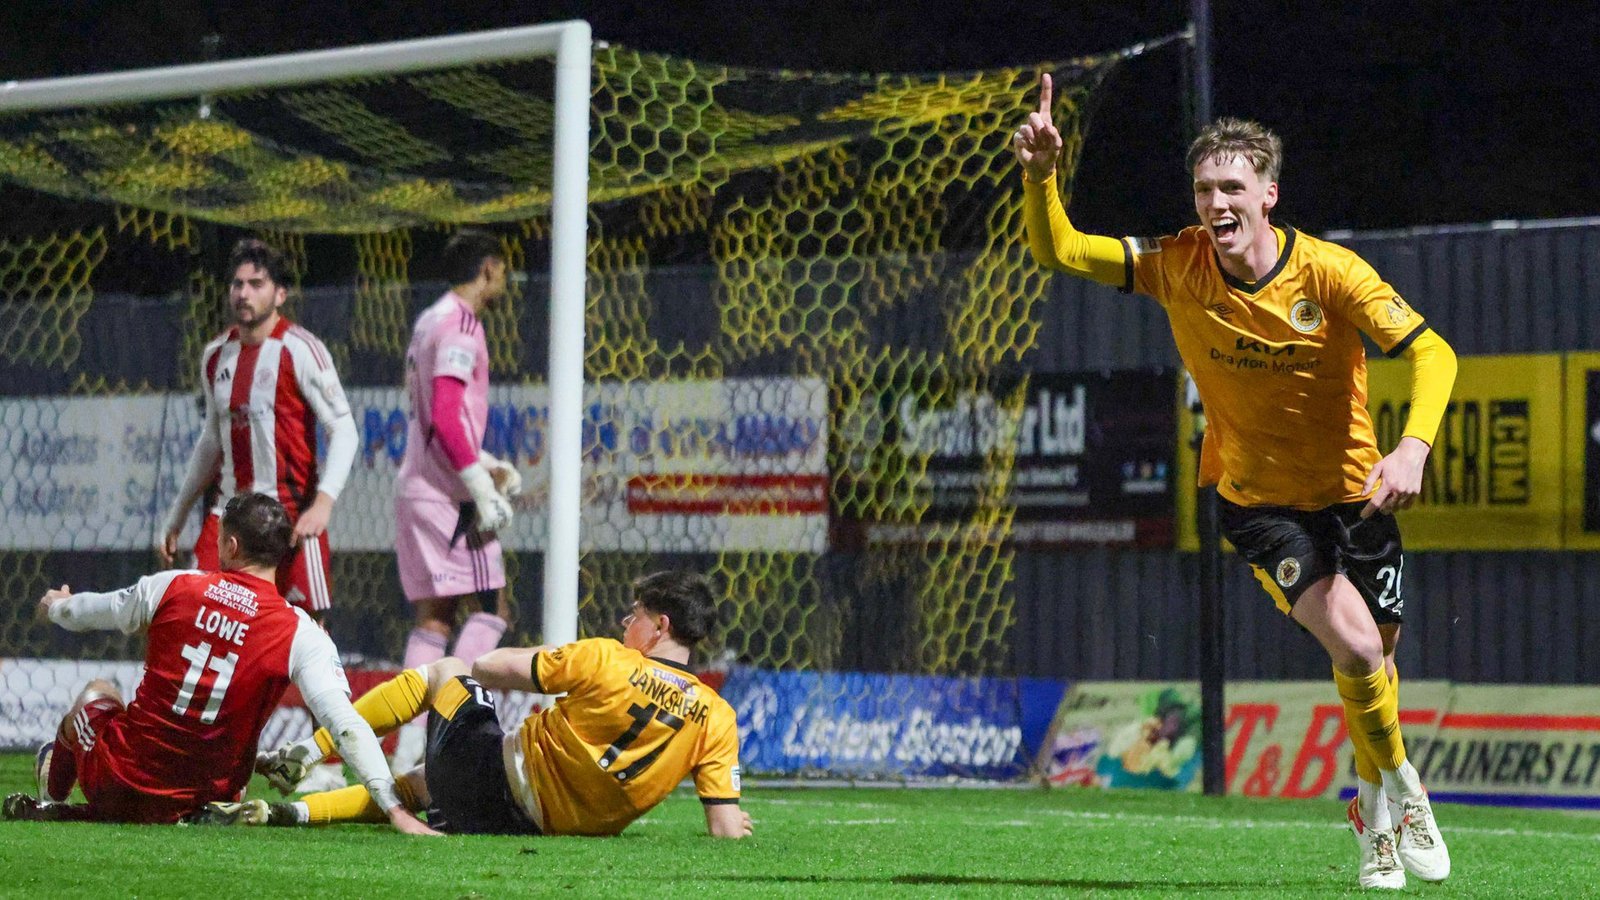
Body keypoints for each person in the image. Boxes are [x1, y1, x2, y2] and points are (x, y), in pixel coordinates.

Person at [1014, 75, 1456, 890]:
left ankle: (1373, 824)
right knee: (1355, 645)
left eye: (1231, 187)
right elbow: (1060, 249)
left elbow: (1434, 352)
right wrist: (1042, 175)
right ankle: (1407, 791)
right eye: (1203, 188)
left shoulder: (1329, 274)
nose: (1214, 202)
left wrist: (1414, 446)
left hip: (1358, 493)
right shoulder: (1179, 264)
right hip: (1259, 504)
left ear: (1268, 194)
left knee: (1375, 668)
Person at [3, 493, 435, 836]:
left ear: (229, 545)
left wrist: (57, 606)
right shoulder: (301, 632)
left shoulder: (173, 586)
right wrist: (393, 807)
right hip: (208, 800)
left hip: (122, 780)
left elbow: (93, 611)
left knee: (96, 695)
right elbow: (345, 724)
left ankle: (53, 802)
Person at [205, 570, 750, 839]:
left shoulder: (608, 659)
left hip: (488, 782)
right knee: (419, 783)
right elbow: (724, 827)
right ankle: (285, 812)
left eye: (634, 615)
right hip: (529, 829)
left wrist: (525, 662)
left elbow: (495, 667)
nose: (625, 623)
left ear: (661, 626)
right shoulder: (718, 718)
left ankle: (310, 747)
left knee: (448, 669)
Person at [158, 238, 357, 625]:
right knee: (198, 617)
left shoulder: (300, 350)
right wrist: (177, 515)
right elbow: (212, 440)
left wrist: (323, 504)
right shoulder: (215, 355)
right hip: (228, 512)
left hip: (290, 515)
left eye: (256, 284)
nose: (244, 293)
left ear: (280, 294)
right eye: (237, 284)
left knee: (305, 634)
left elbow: (344, 429)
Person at [387, 228, 522, 771]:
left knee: (436, 619)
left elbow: (436, 418)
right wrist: (479, 486)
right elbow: (444, 416)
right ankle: (443, 731)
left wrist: (483, 461)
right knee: (493, 606)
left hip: (424, 485)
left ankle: (409, 750)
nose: (506, 281)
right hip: (448, 498)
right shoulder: (461, 326)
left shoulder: (429, 319)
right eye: (504, 270)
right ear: (488, 268)